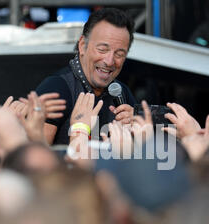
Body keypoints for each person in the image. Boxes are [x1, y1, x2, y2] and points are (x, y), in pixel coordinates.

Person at [35, 8, 138, 145]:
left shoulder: (122, 92)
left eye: (119, 54)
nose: (109, 61)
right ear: (82, 45)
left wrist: (136, 130)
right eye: (102, 50)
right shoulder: (57, 88)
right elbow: (35, 159)